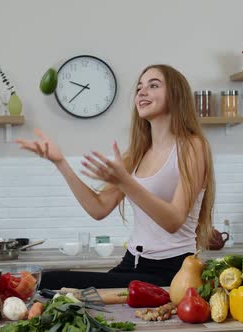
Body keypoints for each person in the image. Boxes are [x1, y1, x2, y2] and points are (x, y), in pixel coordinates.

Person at [15, 64, 215, 289]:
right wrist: (60, 162)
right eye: (139, 87)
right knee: (54, 283)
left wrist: (125, 182)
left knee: (54, 281)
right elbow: (98, 208)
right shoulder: (137, 154)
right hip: (132, 263)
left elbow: (174, 220)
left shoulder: (192, 146)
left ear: (176, 96)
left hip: (172, 269)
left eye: (153, 85)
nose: (142, 92)